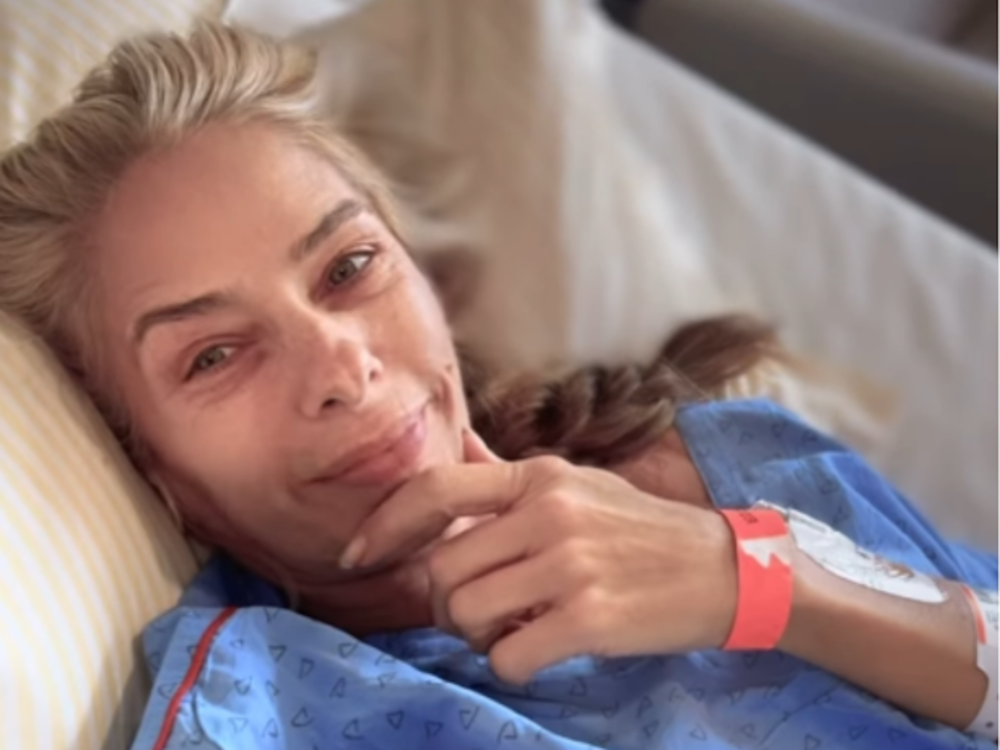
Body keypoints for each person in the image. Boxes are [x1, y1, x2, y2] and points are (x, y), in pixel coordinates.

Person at [0, 22, 995, 750]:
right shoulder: (255, 713)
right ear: (148, 465)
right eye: (214, 355)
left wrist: (757, 580)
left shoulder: (732, 461)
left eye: (350, 267)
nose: (342, 366)